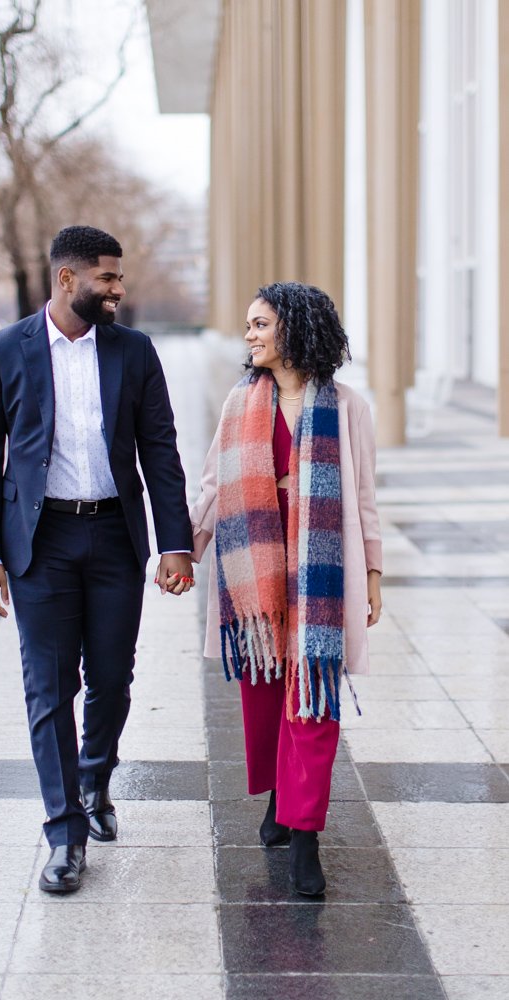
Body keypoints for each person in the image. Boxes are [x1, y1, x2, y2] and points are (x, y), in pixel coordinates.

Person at [0, 225, 194, 894]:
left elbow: (160, 449)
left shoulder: (134, 351)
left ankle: (94, 777)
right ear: (67, 280)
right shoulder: (5, 351)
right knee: (47, 688)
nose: (118, 290)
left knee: (113, 679)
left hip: (116, 538)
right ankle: (64, 834)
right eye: (107, 278)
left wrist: (173, 542)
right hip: (41, 545)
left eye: (118, 278)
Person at [190, 281, 382, 895]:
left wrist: (373, 574)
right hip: (260, 568)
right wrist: (182, 551)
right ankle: (278, 797)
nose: (250, 335)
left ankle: (306, 839)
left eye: (260, 324)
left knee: (313, 697)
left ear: (295, 329)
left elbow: (366, 498)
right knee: (267, 691)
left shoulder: (347, 406)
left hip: (322, 568)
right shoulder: (240, 402)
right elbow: (214, 484)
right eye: (249, 325)